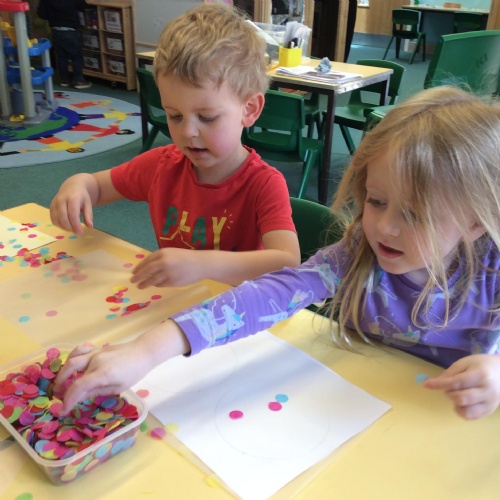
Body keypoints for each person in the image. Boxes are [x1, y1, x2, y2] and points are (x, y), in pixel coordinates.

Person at [54, 85, 500, 421]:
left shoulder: (492, 272)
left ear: (475, 223)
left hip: (439, 418)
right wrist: (147, 351)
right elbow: (268, 294)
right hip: (350, 403)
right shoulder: (356, 252)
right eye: (376, 200)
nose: (384, 227)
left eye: (416, 215)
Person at [50, 4, 300, 289]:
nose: (187, 132)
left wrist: (202, 265)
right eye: (174, 115)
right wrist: (77, 185)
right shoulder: (159, 166)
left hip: (236, 307)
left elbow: (287, 262)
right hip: (176, 302)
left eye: (207, 117)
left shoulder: (263, 183)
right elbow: (95, 185)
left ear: (250, 109)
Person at [37, 0, 92, 89]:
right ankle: (79, 80)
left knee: (61, 56)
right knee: (76, 56)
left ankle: (64, 80)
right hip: (70, 29)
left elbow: (42, 14)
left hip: (55, 29)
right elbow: (83, 5)